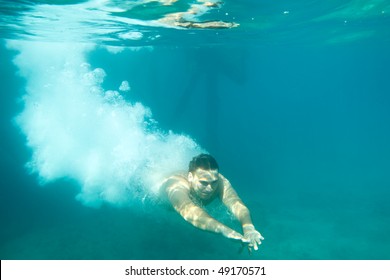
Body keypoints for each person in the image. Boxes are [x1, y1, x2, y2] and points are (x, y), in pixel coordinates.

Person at [161, 154, 264, 252]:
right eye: (203, 183)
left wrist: (248, 228)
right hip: (162, 203)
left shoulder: (219, 181)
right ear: (190, 177)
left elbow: (235, 202)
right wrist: (225, 230)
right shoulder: (176, 185)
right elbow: (189, 212)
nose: (210, 188)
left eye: (214, 182)